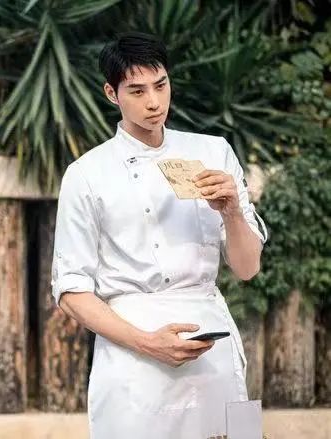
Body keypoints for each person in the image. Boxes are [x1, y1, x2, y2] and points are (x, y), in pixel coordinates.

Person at [51, 32, 268, 438]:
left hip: (211, 341)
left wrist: (232, 212)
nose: (153, 102)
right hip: (134, 353)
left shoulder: (214, 152)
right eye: (137, 91)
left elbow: (247, 269)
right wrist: (147, 342)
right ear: (112, 94)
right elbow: (71, 291)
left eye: (161, 85)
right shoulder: (86, 174)